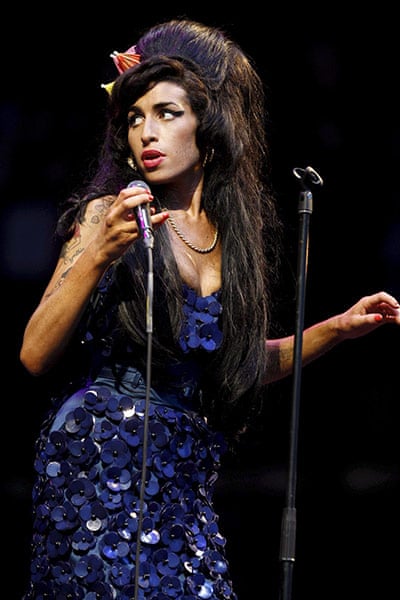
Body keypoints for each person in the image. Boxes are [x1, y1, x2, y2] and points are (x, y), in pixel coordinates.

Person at [19, 18, 400, 600]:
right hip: (99, 462)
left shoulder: (232, 239)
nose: (146, 132)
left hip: (183, 476)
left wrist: (335, 330)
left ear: (209, 128)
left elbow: (237, 364)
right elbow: (35, 352)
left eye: (167, 113)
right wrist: (97, 254)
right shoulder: (107, 216)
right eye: (134, 117)